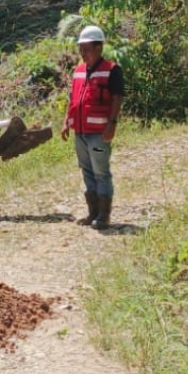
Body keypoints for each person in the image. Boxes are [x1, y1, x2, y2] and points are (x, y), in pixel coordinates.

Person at [60, 25, 124, 229]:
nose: (82, 53)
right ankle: (92, 213)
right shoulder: (79, 71)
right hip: (80, 133)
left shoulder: (112, 70)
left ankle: (104, 215)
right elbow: (73, 99)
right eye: (81, 49)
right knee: (86, 170)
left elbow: (117, 98)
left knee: (100, 172)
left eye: (86, 49)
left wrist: (112, 125)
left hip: (98, 135)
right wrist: (66, 122)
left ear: (99, 48)